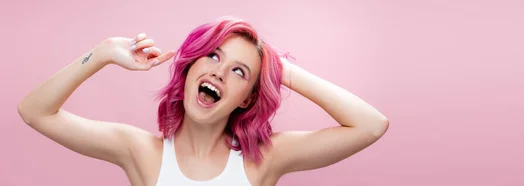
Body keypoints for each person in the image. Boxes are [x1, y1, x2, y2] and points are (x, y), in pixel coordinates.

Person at [17, 17, 389, 186]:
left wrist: (278, 68)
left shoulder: (266, 158)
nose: (220, 73)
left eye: (240, 72)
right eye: (213, 56)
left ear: (247, 99)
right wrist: (100, 54)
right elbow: (34, 112)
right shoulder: (140, 152)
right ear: (191, 65)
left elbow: (371, 125)